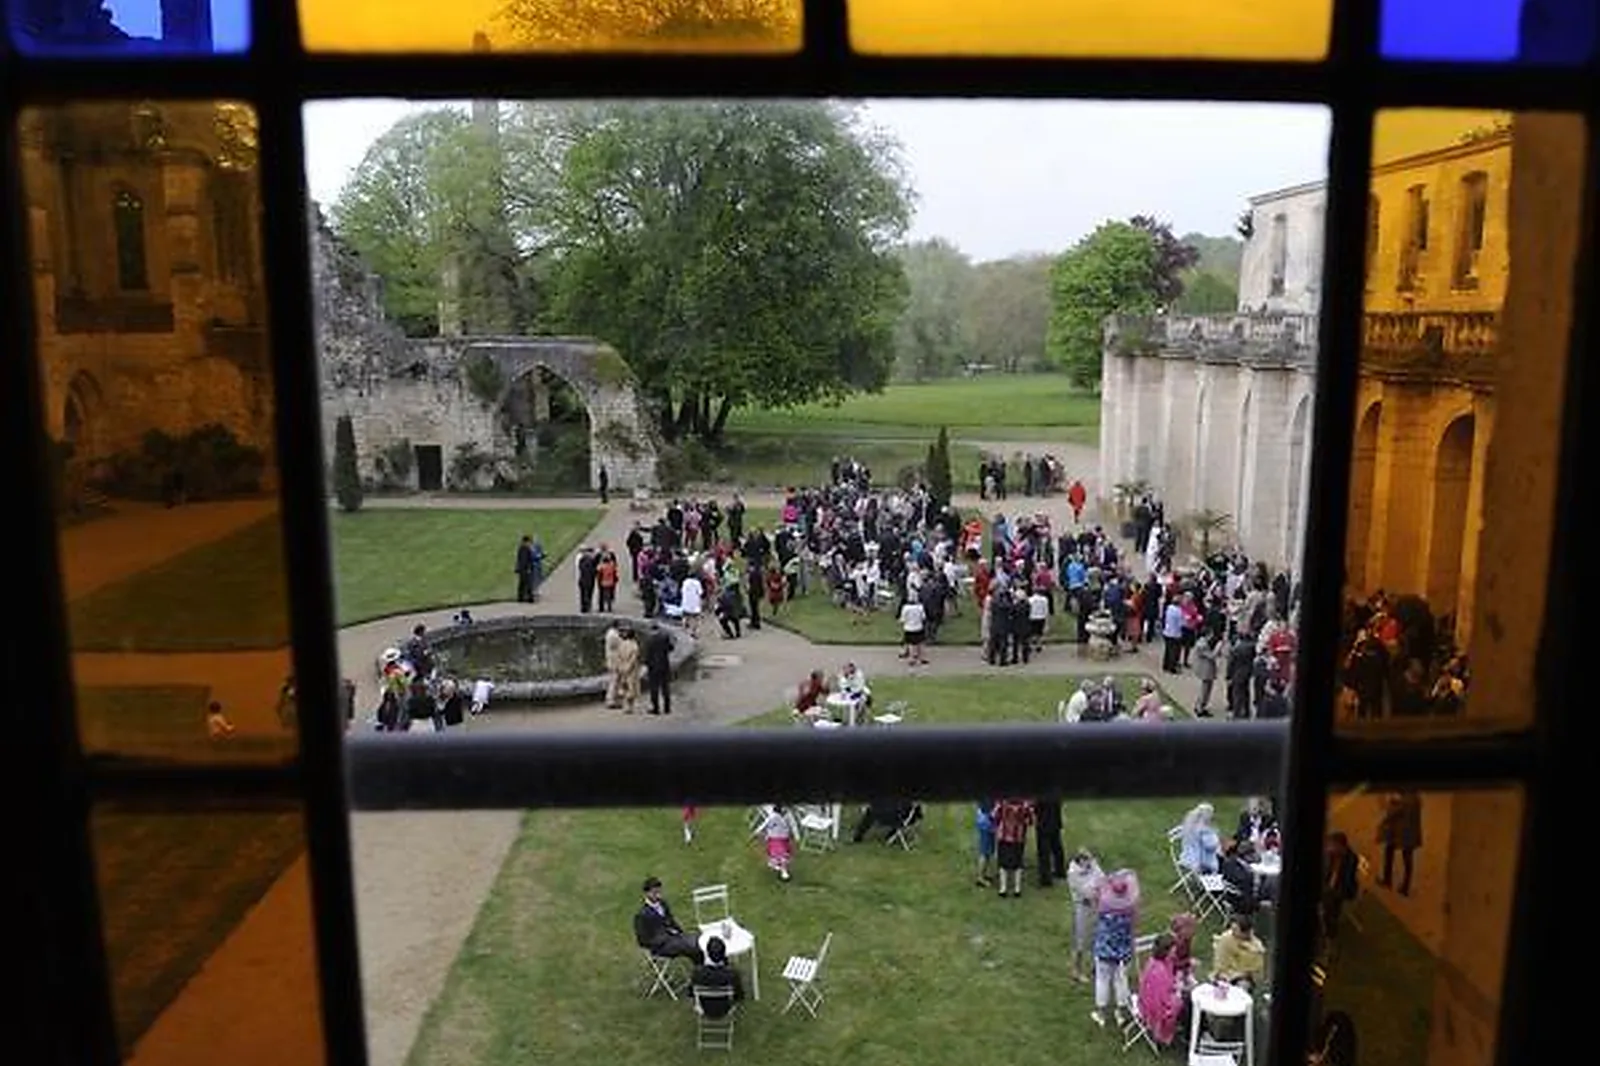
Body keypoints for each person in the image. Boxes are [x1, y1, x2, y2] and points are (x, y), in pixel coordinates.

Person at [1090, 869, 1140, 1028]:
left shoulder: (1104, 906)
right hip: (1123, 951)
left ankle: (1101, 1013)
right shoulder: (1130, 909)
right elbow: (1134, 928)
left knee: (1102, 980)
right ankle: (1120, 1013)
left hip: (1104, 949)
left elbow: (1094, 902)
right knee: (1121, 981)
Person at [633, 876, 704, 964]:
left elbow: (671, 920)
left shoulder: (663, 904)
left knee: (698, 940)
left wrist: (681, 933)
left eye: (659, 892)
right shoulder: (642, 915)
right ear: (646, 893)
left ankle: (702, 968)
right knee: (690, 946)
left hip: (674, 938)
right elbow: (642, 940)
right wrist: (664, 939)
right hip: (660, 946)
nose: (658, 895)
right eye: (655, 893)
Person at [1136, 933, 1185, 1046]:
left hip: (1152, 997)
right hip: (1152, 1007)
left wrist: (1176, 984)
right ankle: (1167, 1034)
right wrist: (1177, 994)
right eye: (1173, 950)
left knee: (1186, 997)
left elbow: (1169, 983)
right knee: (1185, 1002)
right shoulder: (1158, 971)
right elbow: (1161, 1002)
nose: (1175, 952)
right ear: (1166, 951)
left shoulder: (1161, 961)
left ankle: (1185, 1030)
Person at [1066, 848, 1105, 983]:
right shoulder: (1073, 873)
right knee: (1081, 940)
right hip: (1082, 908)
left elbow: (1102, 879)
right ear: (1080, 861)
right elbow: (1085, 892)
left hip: (1096, 906)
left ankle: (1096, 967)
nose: (1090, 863)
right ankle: (1076, 970)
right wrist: (1095, 889)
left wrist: (1096, 889)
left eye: (1090, 860)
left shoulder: (1093, 866)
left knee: (1097, 936)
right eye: (1087, 860)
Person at [1377, 791, 1423, 897]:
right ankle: (1405, 887)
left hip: (1399, 832)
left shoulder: (1403, 801)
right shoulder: (1415, 798)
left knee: (1389, 851)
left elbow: (1391, 813)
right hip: (1411, 833)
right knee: (1407, 859)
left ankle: (1387, 880)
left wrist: (1388, 802)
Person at [690, 935, 745, 1017]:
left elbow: (691, 993)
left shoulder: (697, 973)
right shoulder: (732, 974)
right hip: (726, 1008)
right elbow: (739, 996)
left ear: (707, 953)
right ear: (724, 954)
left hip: (703, 1008)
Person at [1212, 913, 1267, 988]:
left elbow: (1255, 973)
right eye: (1232, 929)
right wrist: (1223, 974)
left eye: (1235, 930)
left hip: (1243, 978)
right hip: (1225, 975)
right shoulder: (1226, 939)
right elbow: (1220, 962)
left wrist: (1240, 975)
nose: (1233, 931)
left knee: (1242, 986)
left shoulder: (1256, 947)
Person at [993, 797, 1033, 898]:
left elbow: (995, 815)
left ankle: (1003, 888)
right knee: (1018, 862)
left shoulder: (1002, 801)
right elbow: (1030, 820)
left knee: (1003, 862)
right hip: (1019, 836)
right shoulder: (1024, 803)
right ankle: (1017, 889)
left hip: (1004, 835)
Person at [752, 804, 799, 881]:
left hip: (783, 838)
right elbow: (765, 824)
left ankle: (780, 867)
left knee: (782, 854)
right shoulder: (773, 816)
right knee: (780, 854)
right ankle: (783, 870)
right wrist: (757, 832)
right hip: (775, 838)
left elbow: (793, 825)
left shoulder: (787, 816)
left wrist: (796, 836)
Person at [1033, 794, 1066, 888]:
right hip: (1055, 821)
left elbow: (1037, 808)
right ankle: (1060, 871)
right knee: (1057, 847)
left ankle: (1045, 878)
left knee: (1044, 851)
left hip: (1043, 823)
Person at [1179, 803, 1221, 873]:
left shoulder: (1190, 827)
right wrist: (1216, 839)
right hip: (1202, 863)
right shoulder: (1205, 831)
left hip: (1186, 859)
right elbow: (1211, 846)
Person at [644, 626, 674, 715]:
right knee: (665, 687)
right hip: (664, 665)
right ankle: (667, 708)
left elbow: (648, 654)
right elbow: (671, 648)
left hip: (653, 667)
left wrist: (646, 664)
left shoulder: (649, 640)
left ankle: (656, 708)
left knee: (654, 688)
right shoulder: (665, 638)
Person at [614, 627, 642, 714]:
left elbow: (618, 657)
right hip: (631, 670)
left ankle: (626, 706)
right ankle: (631, 707)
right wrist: (629, 668)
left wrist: (619, 667)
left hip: (622, 667)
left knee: (624, 686)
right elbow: (633, 659)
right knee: (632, 688)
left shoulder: (622, 644)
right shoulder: (634, 646)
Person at [973, 800, 998, 887]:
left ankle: (984, 874)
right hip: (987, 822)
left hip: (985, 820)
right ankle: (980, 877)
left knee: (988, 851)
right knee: (984, 851)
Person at [899, 595, 928, 666]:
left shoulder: (905, 608)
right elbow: (923, 617)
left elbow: (902, 619)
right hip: (918, 627)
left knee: (911, 644)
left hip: (909, 628)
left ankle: (911, 659)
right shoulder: (920, 607)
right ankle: (922, 658)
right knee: (920, 643)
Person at [515, 534, 539, 602]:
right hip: (525, 569)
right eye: (529, 542)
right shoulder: (524, 549)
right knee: (527, 583)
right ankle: (528, 598)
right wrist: (528, 568)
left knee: (523, 583)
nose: (530, 543)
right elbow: (524, 560)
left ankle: (522, 597)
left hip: (523, 569)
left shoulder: (523, 548)